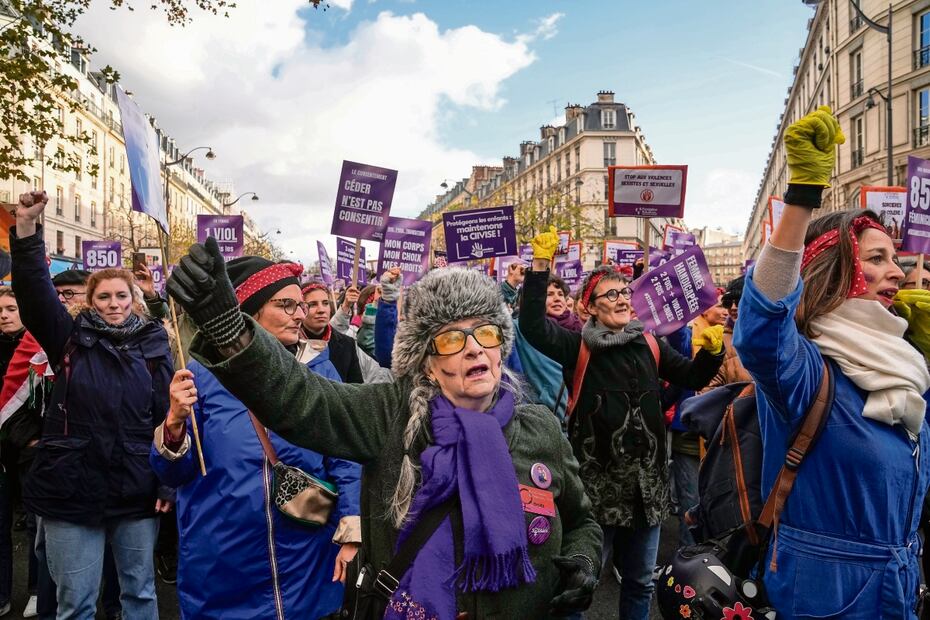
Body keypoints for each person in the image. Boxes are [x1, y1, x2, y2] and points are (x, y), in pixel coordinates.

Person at [166, 242, 603, 619]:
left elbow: (582, 518)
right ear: (428, 364)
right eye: (452, 339)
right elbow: (300, 399)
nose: (474, 348)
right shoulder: (389, 415)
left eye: (485, 333)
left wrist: (583, 559)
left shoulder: (539, 425)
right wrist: (228, 328)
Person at [733, 106, 930, 617]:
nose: (900, 274)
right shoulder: (804, 372)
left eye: (897, 259)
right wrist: (802, 196)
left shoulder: (907, 368)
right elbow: (760, 329)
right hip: (821, 596)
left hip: (899, 588)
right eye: (877, 258)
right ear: (836, 268)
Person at [519, 228, 724, 620]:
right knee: (584, 583)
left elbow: (692, 377)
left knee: (640, 582)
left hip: (647, 491)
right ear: (590, 308)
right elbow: (531, 325)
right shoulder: (576, 344)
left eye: (625, 292)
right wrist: (540, 267)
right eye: (611, 294)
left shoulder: (649, 344)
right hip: (596, 490)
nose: (622, 299)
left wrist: (711, 353)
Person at [151, 255, 361, 619]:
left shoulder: (320, 369)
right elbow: (172, 474)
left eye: (301, 304)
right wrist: (173, 424)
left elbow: (345, 456)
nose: (300, 314)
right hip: (224, 561)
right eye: (285, 305)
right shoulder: (199, 374)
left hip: (306, 556)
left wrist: (352, 527)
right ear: (250, 310)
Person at [11, 190, 173, 620]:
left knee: (139, 595)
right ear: (90, 301)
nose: (114, 305)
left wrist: (167, 482)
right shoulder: (68, 337)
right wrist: (27, 230)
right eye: (105, 298)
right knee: (76, 603)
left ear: (134, 301)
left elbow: (170, 417)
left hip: (136, 486)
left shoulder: (155, 344)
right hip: (72, 488)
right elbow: (33, 294)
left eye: (122, 297)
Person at [302, 281, 364, 383]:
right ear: (300, 308)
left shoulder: (347, 344)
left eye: (325, 303)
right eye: (313, 304)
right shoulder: (290, 345)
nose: (321, 310)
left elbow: (356, 388)